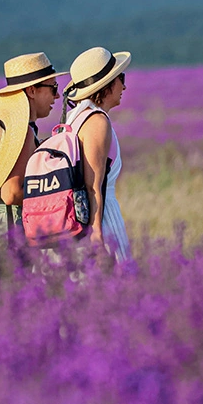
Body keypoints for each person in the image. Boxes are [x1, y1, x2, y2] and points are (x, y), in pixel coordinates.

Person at [0, 52, 65, 259]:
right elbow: (11, 194)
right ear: (32, 90)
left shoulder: (11, 128)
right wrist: (53, 196)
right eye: (53, 88)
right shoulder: (22, 132)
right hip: (4, 232)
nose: (57, 96)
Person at [61, 47, 132, 262]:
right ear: (107, 85)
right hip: (98, 219)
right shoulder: (96, 121)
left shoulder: (73, 117)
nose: (125, 85)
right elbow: (93, 186)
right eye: (121, 78)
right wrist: (97, 234)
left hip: (74, 218)